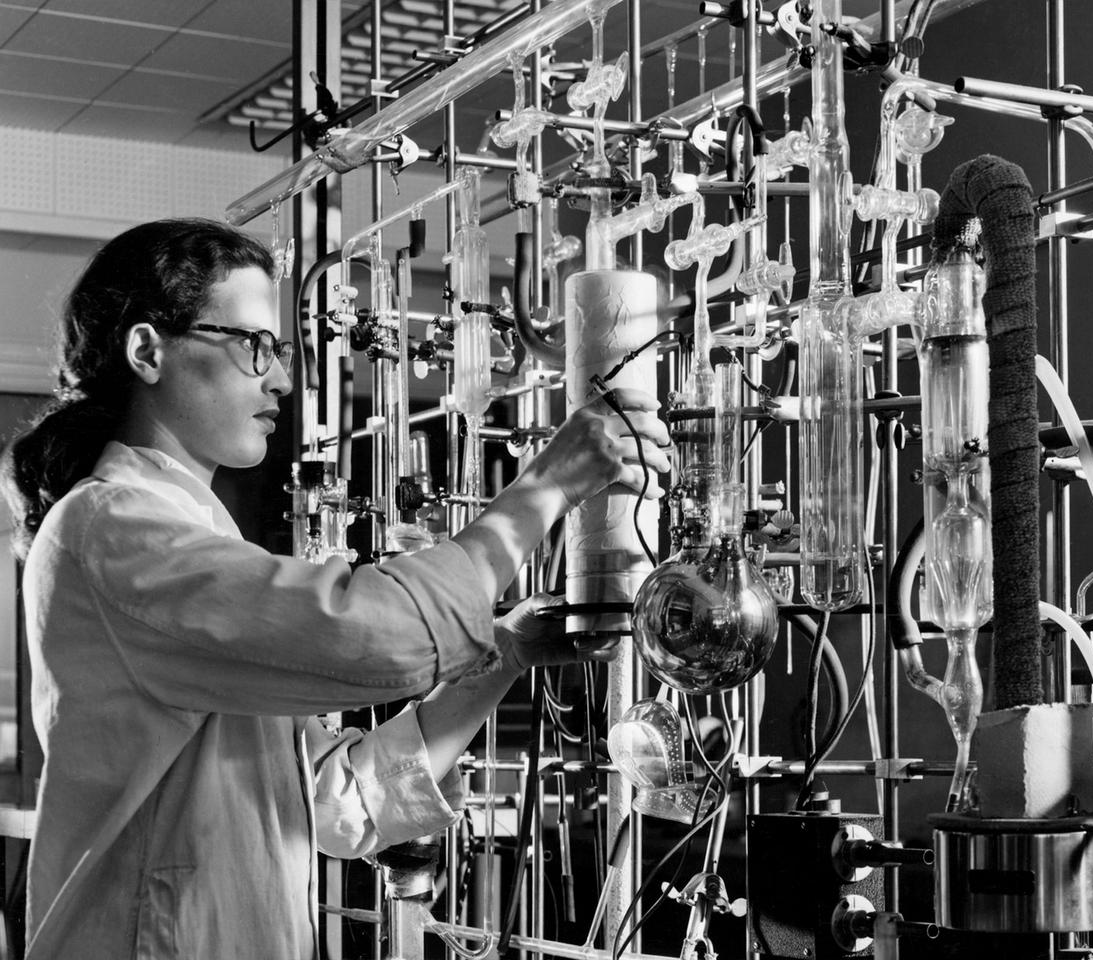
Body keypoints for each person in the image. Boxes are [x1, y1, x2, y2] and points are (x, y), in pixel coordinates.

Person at [0, 218, 670, 959]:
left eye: (279, 352)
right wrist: (548, 483)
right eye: (253, 345)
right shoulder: (113, 527)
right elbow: (383, 633)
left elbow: (341, 800)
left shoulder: (191, 533)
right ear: (148, 350)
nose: (281, 378)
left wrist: (503, 656)